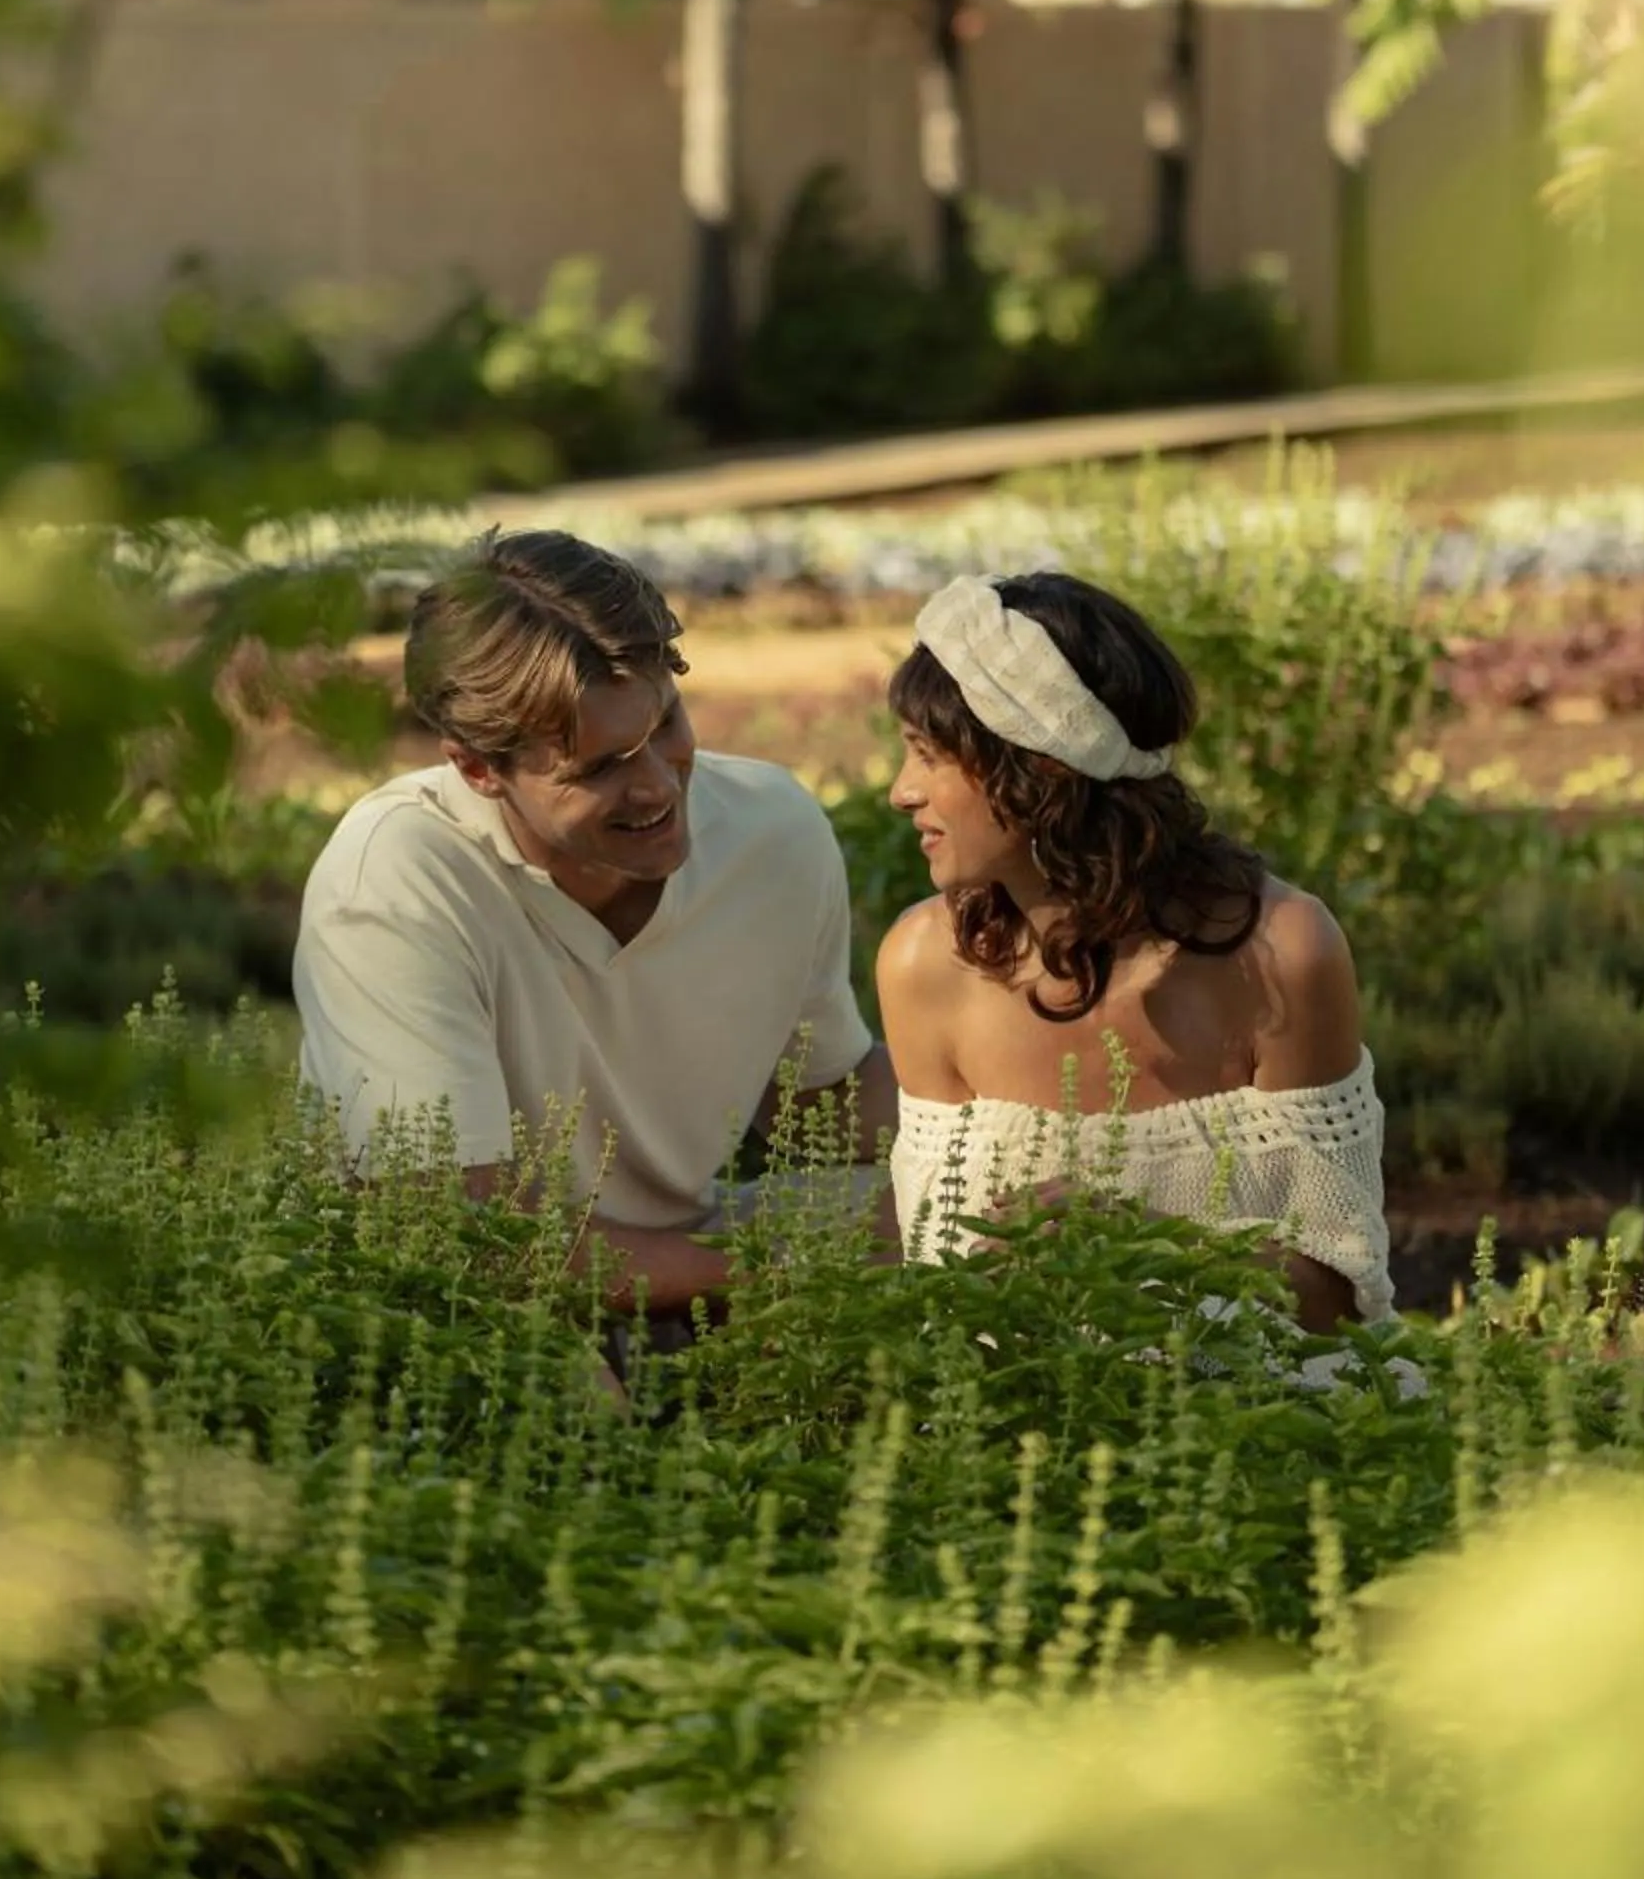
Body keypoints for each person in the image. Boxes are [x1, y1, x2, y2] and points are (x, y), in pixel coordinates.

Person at [294, 529, 896, 1324]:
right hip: (473, 1301)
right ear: (477, 769)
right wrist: (778, 1273)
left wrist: (1029, 1131)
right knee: (535, 1366)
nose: (656, 788)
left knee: (965, 1216)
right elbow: (462, 1240)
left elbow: (818, 1103)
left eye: (666, 729)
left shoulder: (769, 830)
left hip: (689, 1251)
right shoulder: (397, 880)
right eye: (600, 767)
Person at [875, 569, 1393, 1332]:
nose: (900, 790)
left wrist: (1144, 1244)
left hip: (1265, 1418)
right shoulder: (924, 966)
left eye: (928, 755)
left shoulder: (1281, 953)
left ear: (1040, 761)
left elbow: (1338, 1304)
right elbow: (942, 1292)